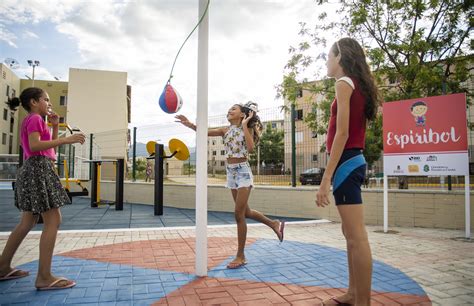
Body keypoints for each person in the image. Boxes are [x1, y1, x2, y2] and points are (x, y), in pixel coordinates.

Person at [176, 102, 285, 269]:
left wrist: (243, 125)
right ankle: (273, 224)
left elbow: (250, 148)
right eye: (229, 109)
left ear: (242, 115)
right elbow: (203, 131)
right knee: (245, 212)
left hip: (243, 172)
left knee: (238, 214)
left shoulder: (246, 129)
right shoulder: (224, 130)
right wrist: (189, 124)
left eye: (234, 109)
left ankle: (241, 255)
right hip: (230, 172)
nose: (229, 111)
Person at [316, 38, 381, 306]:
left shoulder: (343, 83)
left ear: (340, 56)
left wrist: (326, 177)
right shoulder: (357, 84)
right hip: (352, 160)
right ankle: (353, 294)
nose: (326, 62)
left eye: (329, 56)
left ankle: (362, 301)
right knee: (350, 235)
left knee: (356, 236)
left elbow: (342, 134)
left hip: (345, 162)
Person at [0, 87, 86, 290]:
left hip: (34, 168)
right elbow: (36, 146)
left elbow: (48, 147)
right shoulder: (34, 119)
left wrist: (55, 127)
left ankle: (3, 266)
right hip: (39, 168)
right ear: (33, 102)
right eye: (45, 99)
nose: (49, 103)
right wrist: (67, 138)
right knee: (53, 219)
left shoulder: (35, 120)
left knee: (27, 221)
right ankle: (44, 277)